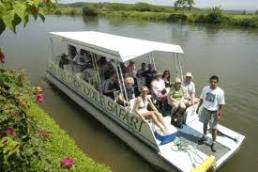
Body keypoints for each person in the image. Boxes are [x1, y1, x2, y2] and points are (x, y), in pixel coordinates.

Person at [196, 75, 225, 152]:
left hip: (214, 112)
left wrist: (219, 115)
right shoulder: (205, 88)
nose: (213, 83)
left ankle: (213, 142)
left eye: (215, 82)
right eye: (212, 82)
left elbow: (221, 105)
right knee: (205, 124)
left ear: (217, 83)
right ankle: (204, 136)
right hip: (205, 109)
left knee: (213, 128)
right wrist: (198, 107)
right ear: (209, 81)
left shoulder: (220, 92)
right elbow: (201, 98)